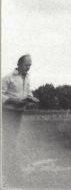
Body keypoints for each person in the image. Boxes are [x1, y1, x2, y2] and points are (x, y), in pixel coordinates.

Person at [2, 53, 39, 185]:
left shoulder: (27, 77)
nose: (28, 68)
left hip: (19, 113)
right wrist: (11, 100)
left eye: (30, 65)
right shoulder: (8, 77)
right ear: (19, 64)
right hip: (7, 113)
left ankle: (11, 171)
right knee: (9, 142)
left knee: (13, 141)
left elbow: (27, 92)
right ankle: (8, 174)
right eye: (26, 65)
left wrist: (31, 98)